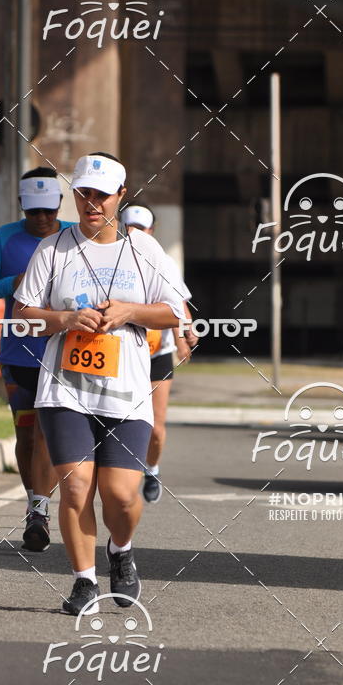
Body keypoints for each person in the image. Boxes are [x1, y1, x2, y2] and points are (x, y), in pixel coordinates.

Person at [13, 152, 186, 615]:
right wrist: (63, 318)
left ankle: (121, 551)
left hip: (127, 391)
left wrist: (131, 311)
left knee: (121, 494)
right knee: (75, 487)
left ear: (120, 197)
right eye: (83, 193)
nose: (91, 203)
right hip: (65, 389)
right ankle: (84, 582)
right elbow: (22, 316)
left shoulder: (144, 250)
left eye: (101, 195)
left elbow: (177, 312)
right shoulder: (53, 249)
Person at [0, 168, 73, 551]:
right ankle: (36, 501)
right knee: (26, 434)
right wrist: (11, 283)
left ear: (59, 205)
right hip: (18, 353)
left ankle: (39, 509)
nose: (43, 219)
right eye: (34, 212)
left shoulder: (74, 236)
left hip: (62, 353)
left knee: (47, 432)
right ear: (21, 207)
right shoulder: (4, 237)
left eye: (49, 210)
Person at [120, 204, 195, 503]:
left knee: (155, 428)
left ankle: (151, 468)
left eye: (142, 228)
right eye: (130, 227)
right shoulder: (111, 258)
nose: (135, 233)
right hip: (122, 354)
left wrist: (183, 337)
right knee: (120, 420)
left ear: (151, 231)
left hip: (156, 354)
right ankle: (119, 476)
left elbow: (178, 307)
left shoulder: (162, 262)